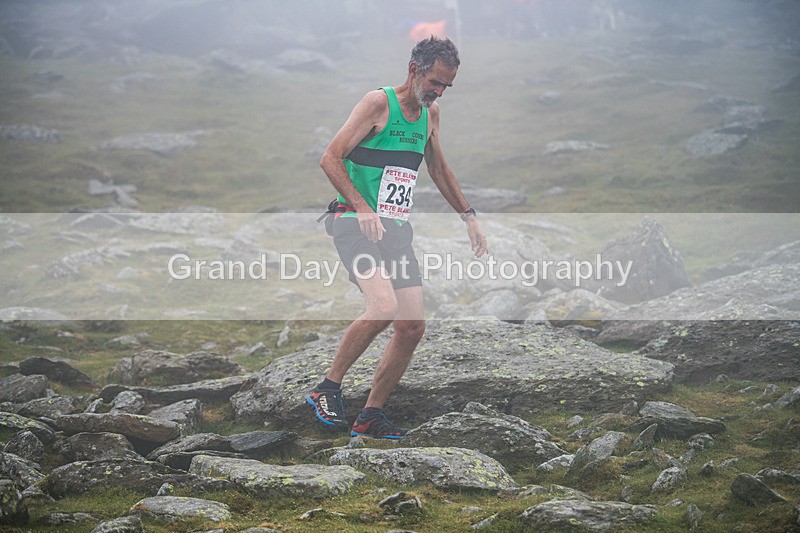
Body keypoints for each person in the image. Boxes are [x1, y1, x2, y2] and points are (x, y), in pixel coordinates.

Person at [307, 36, 488, 439]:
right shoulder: (378, 103)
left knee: (411, 326)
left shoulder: (431, 114)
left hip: (396, 231)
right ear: (414, 69)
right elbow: (330, 157)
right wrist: (362, 207)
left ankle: (371, 416)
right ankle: (327, 388)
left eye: (446, 86)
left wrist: (469, 217)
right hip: (354, 223)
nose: (439, 92)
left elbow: (439, 169)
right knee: (384, 306)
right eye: (435, 82)